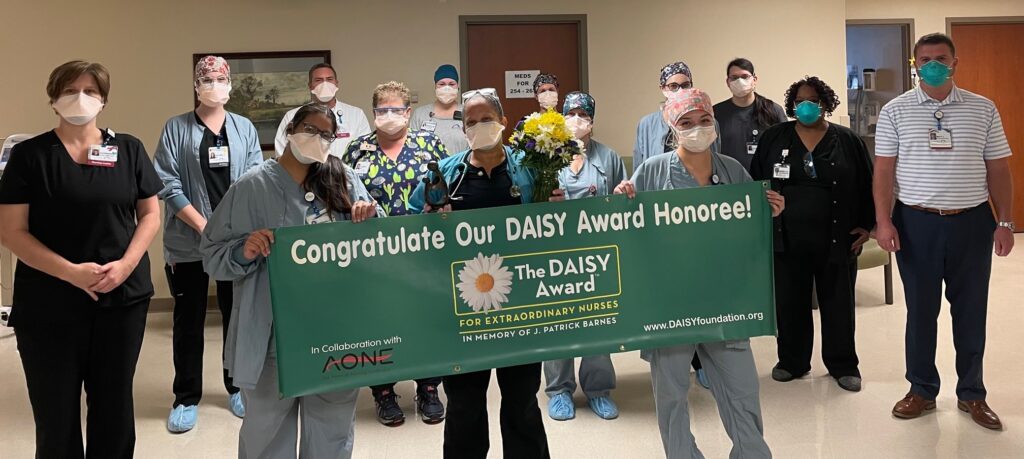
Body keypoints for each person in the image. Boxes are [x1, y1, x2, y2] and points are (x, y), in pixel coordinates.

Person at [0, 60, 162, 458]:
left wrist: (125, 265)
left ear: (104, 100)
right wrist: (71, 273)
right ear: (53, 99)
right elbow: (10, 231)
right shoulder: (29, 156)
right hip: (49, 304)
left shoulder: (128, 149)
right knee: (55, 414)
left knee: (114, 407)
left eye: (91, 90)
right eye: (70, 90)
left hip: (121, 300)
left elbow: (151, 215)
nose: (80, 98)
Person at [201, 104, 382, 458]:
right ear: (290, 130)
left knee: (332, 429)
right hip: (272, 335)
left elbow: (380, 250)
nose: (316, 139)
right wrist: (245, 250)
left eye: (326, 134)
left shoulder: (342, 180)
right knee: (266, 430)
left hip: (335, 333)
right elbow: (211, 255)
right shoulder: (252, 187)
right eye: (309, 129)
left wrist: (368, 220)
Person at [615, 89, 782, 459]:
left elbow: (748, 232)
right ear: (672, 128)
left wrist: (768, 210)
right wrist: (622, 197)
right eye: (686, 123)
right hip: (670, 305)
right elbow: (627, 229)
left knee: (742, 392)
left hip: (725, 301)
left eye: (704, 120)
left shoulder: (732, 170)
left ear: (714, 123)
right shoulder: (653, 171)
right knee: (672, 396)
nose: (697, 128)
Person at [410, 88, 564, 459]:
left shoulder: (531, 170)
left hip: (521, 305)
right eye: (471, 121)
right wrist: (429, 222)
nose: (480, 126)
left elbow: (554, 231)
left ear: (504, 123)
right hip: (463, 308)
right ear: (463, 130)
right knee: (463, 404)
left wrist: (557, 208)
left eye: (487, 119)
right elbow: (410, 229)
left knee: (522, 401)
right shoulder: (446, 173)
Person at [874, 33, 1015, 430]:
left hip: (972, 222)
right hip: (916, 223)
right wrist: (884, 221)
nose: (932, 64)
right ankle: (921, 389)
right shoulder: (895, 111)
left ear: (955, 63)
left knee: (971, 311)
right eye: (925, 59)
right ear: (914, 64)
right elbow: (883, 171)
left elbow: (999, 170)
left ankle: (972, 393)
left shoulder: (982, 109)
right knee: (921, 311)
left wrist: (1004, 222)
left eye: (941, 58)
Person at [154, 55, 264, 433]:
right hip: (188, 242)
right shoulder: (176, 128)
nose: (215, 84)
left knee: (237, 318)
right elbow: (167, 182)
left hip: (235, 242)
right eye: (208, 79)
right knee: (189, 321)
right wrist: (204, 225)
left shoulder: (244, 128)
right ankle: (186, 397)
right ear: (196, 85)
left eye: (221, 78)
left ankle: (236, 387)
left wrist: (229, 229)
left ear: (230, 84)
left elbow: (254, 178)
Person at [749, 76, 874, 392]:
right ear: (792, 105)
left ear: (826, 104)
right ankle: (792, 362)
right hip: (786, 238)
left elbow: (867, 184)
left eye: (814, 100)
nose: (807, 106)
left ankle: (843, 365)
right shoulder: (774, 138)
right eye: (801, 100)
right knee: (790, 304)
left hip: (836, 237)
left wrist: (868, 225)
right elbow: (755, 185)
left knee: (839, 305)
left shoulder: (847, 141)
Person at [342, 81, 448, 425]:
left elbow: (447, 194)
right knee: (378, 322)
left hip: (423, 255)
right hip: (375, 258)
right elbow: (341, 200)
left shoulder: (429, 146)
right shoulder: (356, 151)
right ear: (373, 114)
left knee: (425, 319)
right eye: (381, 110)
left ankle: (429, 387)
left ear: (408, 112)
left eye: (396, 110)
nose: (389, 116)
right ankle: (383, 391)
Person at [544, 91, 624, 421]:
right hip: (556, 253)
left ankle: (597, 389)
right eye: (570, 113)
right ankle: (559, 390)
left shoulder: (608, 158)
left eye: (583, 113)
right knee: (558, 322)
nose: (576, 119)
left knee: (597, 320)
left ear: (592, 119)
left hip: (597, 254)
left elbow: (623, 204)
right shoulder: (546, 156)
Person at [633, 61, 722, 171]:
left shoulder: (708, 122)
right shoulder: (647, 124)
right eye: (673, 86)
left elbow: (716, 161)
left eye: (685, 85)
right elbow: (639, 166)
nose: (680, 90)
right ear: (663, 88)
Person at [274, 63, 370, 158]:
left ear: (336, 83)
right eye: (318, 80)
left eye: (329, 79)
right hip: (306, 173)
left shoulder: (356, 115)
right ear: (310, 86)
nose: (325, 84)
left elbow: (365, 150)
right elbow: (282, 153)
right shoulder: (292, 116)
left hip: (345, 173)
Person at [714, 58, 788, 169]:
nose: (739, 81)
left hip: (764, 181)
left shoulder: (773, 110)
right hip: (729, 179)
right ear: (728, 82)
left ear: (754, 79)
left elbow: (786, 147)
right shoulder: (716, 113)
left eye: (744, 76)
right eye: (734, 78)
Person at [410, 64, 470, 154]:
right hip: (427, 167)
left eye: (451, 84)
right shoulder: (420, 114)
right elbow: (412, 146)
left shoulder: (468, 113)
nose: (446, 88)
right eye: (441, 84)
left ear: (457, 87)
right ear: (435, 87)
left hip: (460, 166)